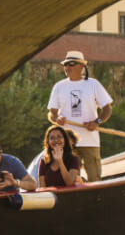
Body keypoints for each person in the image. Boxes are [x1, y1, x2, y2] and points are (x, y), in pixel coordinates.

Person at [47, 50, 113, 182]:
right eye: (65, 64)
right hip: (67, 143)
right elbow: (51, 113)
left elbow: (107, 109)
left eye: (71, 64)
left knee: (94, 179)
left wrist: (97, 122)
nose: (67, 67)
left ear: (82, 66)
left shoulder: (93, 84)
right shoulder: (59, 86)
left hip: (90, 141)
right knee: (66, 180)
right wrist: (56, 119)